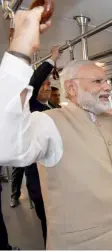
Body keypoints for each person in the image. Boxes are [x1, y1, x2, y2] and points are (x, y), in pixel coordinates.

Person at [0, 7, 112, 250]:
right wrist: (20, 50)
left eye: (105, 81)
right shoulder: (50, 123)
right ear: (71, 88)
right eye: (97, 81)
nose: (106, 87)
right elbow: (5, 144)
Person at [9, 47, 60, 209]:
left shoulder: (53, 107)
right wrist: (52, 59)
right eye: (43, 84)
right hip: (37, 168)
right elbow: (34, 81)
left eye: (49, 84)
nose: (47, 87)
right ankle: (14, 194)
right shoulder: (30, 106)